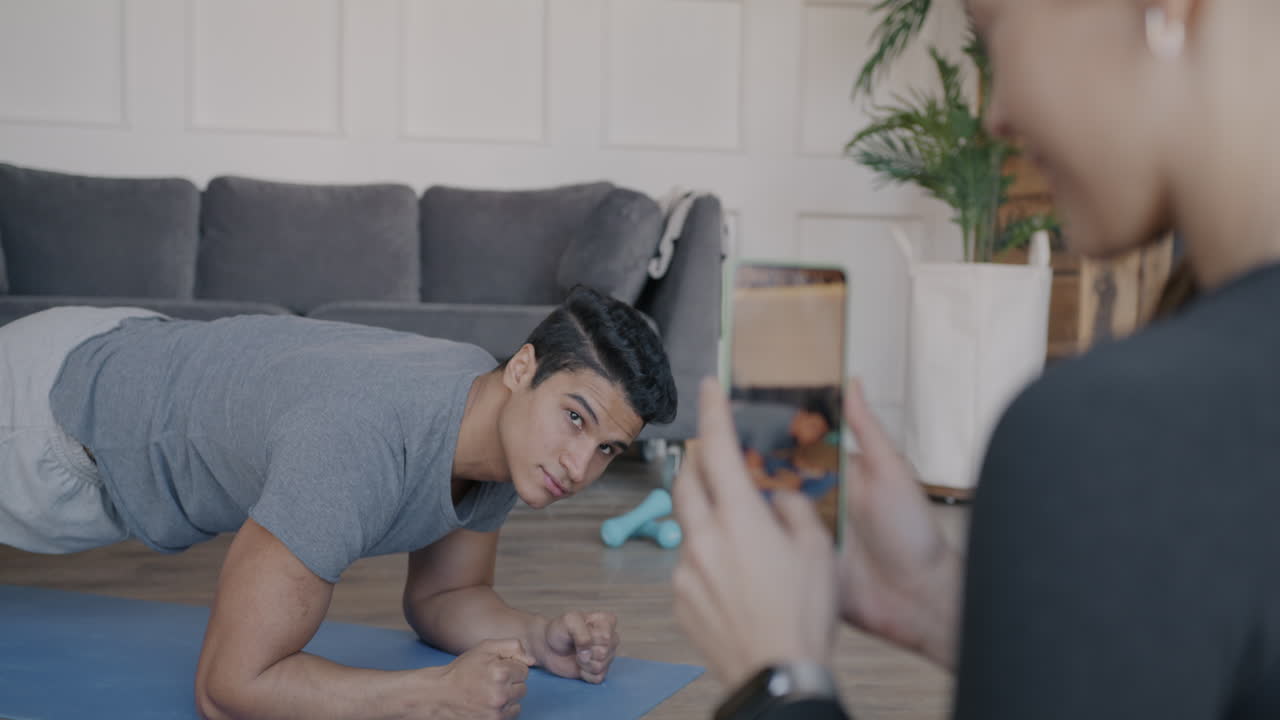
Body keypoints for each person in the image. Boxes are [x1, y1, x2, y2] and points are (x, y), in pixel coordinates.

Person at [672, 0, 1280, 718]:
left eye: (991, 33)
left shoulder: (1117, 431)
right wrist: (936, 599)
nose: (995, 116)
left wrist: (777, 678)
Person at [0, 284, 677, 720]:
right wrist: (432, 695)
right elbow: (227, 688)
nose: (578, 467)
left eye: (607, 449)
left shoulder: (494, 422)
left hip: (125, 348)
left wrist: (537, 639)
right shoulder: (355, 443)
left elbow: (444, 596)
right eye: (575, 418)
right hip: (40, 424)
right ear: (523, 368)